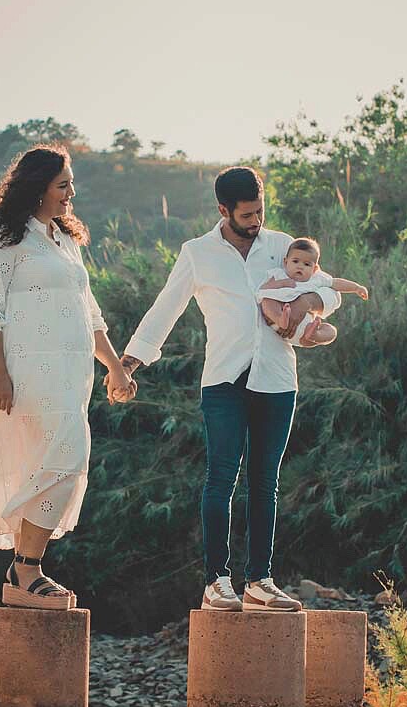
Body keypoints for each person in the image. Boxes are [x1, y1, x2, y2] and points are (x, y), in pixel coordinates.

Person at [115, 166, 342, 612]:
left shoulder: (281, 246)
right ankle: (217, 580)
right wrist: (129, 362)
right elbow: (166, 308)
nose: (256, 220)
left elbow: (327, 288)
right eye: (247, 214)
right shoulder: (198, 253)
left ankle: (260, 580)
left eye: (260, 211)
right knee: (221, 478)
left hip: (276, 378)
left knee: (266, 482)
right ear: (223, 210)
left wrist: (307, 302)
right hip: (223, 379)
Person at [0, 144, 137, 609]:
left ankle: (25, 571)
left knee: (54, 461)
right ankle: (26, 568)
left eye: (70, 184)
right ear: (37, 186)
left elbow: (90, 312)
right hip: (28, 371)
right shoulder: (1, 237)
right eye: (63, 184)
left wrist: (116, 366)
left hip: (72, 373)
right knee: (63, 455)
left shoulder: (63, 239)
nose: (71, 193)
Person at [256, 236, 369, 346]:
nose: (300, 266)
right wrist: (280, 283)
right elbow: (263, 289)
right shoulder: (279, 275)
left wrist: (356, 288)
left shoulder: (317, 279)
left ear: (315, 269)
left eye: (306, 264)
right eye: (295, 261)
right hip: (278, 321)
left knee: (332, 332)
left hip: (305, 330)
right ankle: (281, 319)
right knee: (267, 300)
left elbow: (335, 283)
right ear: (286, 262)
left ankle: (315, 334)